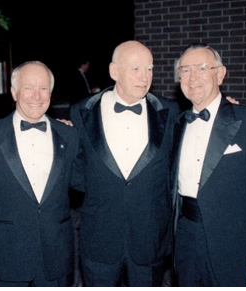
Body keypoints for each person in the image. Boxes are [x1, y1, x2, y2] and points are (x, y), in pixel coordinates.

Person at [69, 40, 179, 286]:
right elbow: (75, 170)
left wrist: (227, 109)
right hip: (99, 241)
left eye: (150, 69)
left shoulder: (169, 111)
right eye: (136, 68)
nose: (145, 76)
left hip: (150, 243)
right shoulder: (81, 112)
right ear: (114, 71)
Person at [170, 43, 246, 287]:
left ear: (220, 73)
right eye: (185, 70)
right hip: (185, 243)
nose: (193, 77)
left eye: (202, 68)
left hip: (236, 249)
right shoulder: (176, 125)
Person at [0, 61, 80, 286]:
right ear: (14, 92)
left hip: (56, 257)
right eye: (28, 88)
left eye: (43, 88)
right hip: (7, 258)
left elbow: (84, 182)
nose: (37, 96)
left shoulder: (69, 136)